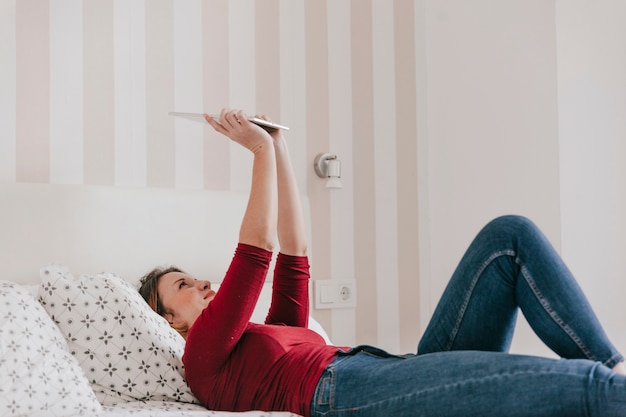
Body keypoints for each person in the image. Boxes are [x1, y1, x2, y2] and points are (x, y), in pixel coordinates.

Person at [139, 108, 626, 417]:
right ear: (171, 319)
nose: (200, 281)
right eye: (182, 285)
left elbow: (294, 248)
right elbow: (257, 250)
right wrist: (258, 151)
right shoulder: (200, 356)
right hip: (344, 391)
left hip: (381, 371)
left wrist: (280, 146)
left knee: (508, 238)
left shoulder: (263, 339)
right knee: (586, 390)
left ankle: (615, 366)